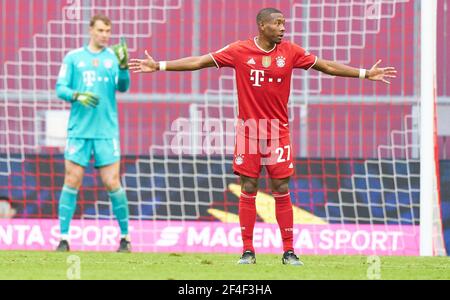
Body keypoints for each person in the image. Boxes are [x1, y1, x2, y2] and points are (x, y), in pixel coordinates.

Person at [129, 8, 397, 265]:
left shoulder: (291, 52)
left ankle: (289, 251)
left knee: (281, 188)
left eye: (284, 23)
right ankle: (247, 250)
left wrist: (365, 73)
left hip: (277, 131)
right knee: (249, 188)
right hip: (249, 131)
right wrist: (160, 65)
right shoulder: (238, 50)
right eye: (277, 23)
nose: (283, 28)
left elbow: (325, 66)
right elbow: (199, 61)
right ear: (262, 26)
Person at [55, 14, 131, 252]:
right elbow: (60, 88)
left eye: (108, 31)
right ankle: (64, 239)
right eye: (100, 30)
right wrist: (77, 95)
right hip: (79, 131)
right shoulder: (74, 58)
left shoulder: (113, 58)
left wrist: (124, 66)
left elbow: (123, 87)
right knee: (72, 180)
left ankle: (125, 238)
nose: (105, 35)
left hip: (106, 132)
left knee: (112, 183)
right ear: (90, 30)